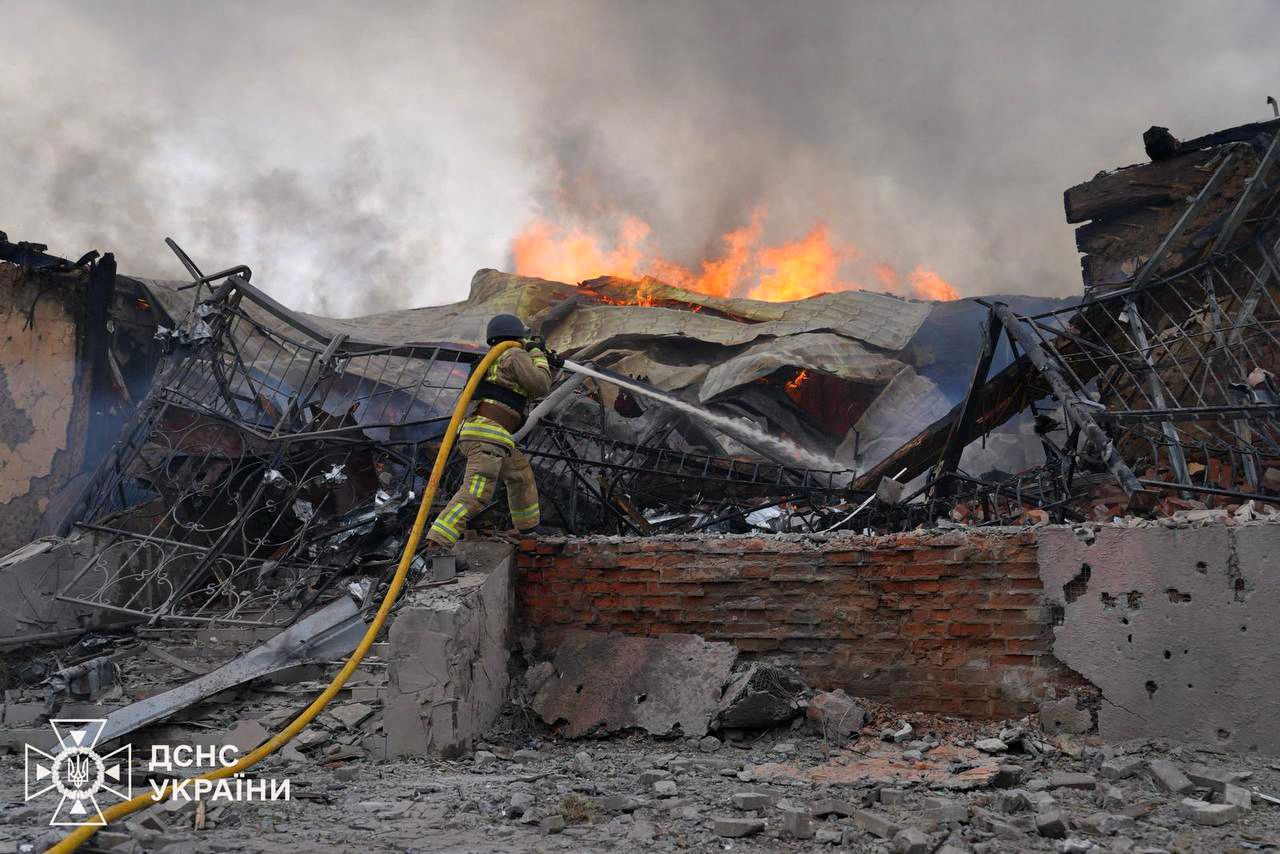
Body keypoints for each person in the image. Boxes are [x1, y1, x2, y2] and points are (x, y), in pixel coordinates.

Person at [426, 314, 555, 550]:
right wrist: (537, 355)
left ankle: (527, 529)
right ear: (517, 335)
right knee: (477, 493)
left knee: (519, 474)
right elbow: (540, 385)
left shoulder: (492, 359)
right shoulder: (514, 354)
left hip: (490, 435)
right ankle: (437, 542)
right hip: (488, 435)